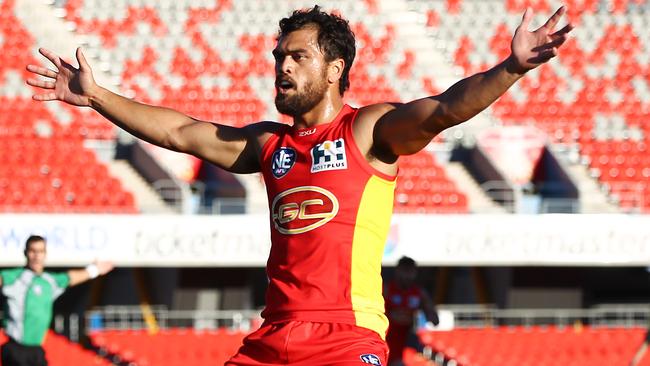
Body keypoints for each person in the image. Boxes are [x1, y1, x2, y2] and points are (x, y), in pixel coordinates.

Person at [26, 5, 573, 365]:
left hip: (346, 339)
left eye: (297, 57)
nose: (281, 67)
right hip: (270, 338)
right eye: (278, 57)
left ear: (335, 69)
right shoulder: (271, 146)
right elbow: (182, 133)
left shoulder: (370, 129)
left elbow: (445, 110)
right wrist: (98, 97)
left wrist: (511, 67)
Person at [0, 235, 113, 366]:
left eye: (40, 251)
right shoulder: (14, 277)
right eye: (33, 251)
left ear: (45, 254)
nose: (36, 256)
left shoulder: (49, 281)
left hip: (36, 351)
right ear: (25, 253)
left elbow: (69, 278)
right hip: (16, 349)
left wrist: (94, 270)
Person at [384, 257, 439, 366]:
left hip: (406, 340)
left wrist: (429, 313)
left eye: (410, 272)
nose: (407, 276)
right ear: (397, 271)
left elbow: (435, 320)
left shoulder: (419, 293)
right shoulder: (386, 289)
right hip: (387, 338)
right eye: (404, 271)